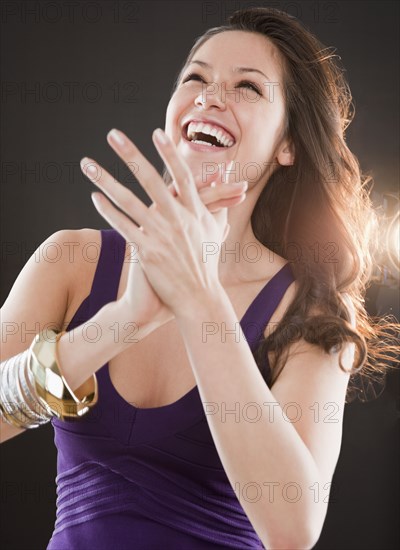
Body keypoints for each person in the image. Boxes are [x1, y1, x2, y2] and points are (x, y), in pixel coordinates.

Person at [1, 7, 398, 550]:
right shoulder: (71, 260)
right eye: (196, 77)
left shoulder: (312, 315)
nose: (212, 96)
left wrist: (199, 298)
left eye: (248, 88)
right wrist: (120, 322)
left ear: (289, 145)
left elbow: (293, 529)